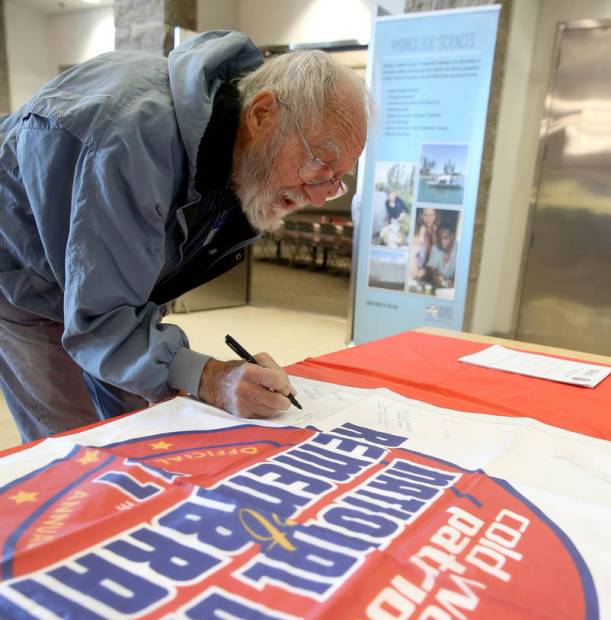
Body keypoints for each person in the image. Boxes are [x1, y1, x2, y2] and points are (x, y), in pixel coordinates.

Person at [0, 31, 370, 443]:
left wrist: (198, 373)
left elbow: (133, 293)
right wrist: (209, 377)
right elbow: (100, 321)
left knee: (141, 426)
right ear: (262, 114)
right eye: (319, 164)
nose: (320, 197)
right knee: (73, 448)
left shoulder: (247, 160)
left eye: (337, 181)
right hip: (21, 277)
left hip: (105, 288)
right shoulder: (130, 141)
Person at [427, 224, 458, 288]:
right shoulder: (435, 249)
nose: (442, 242)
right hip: (440, 288)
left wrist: (453, 282)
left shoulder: (459, 249)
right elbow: (433, 269)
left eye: (445, 238)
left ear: (452, 236)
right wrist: (436, 276)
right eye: (439, 239)